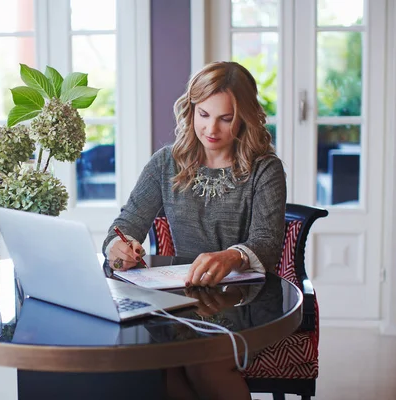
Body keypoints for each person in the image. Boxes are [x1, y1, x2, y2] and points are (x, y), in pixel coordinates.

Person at [102, 61, 286, 399]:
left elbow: (268, 243)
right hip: (178, 305)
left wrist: (232, 257)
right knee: (160, 365)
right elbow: (126, 223)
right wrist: (117, 245)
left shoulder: (265, 169)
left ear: (244, 116)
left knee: (204, 362)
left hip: (245, 304)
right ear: (191, 110)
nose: (211, 128)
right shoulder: (165, 162)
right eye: (203, 114)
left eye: (225, 118)